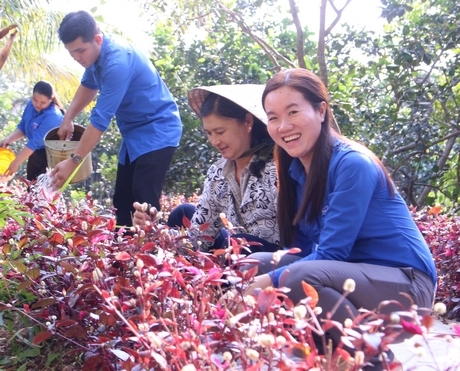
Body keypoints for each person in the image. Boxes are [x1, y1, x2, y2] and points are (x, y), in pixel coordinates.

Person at [245, 68, 437, 368]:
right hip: (350, 277)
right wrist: (259, 274)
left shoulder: (352, 164)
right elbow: (303, 251)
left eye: (293, 112)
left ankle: (376, 361)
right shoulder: (295, 171)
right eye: (272, 117)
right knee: (249, 264)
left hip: (406, 286)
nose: (283, 126)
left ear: (321, 110)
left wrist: (266, 282)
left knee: (295, 277)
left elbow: (331, 253)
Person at [50, 10, 182, 227]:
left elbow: (100, 120)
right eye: (72, 53)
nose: (77, 58)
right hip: (133, 136)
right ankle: (122, 257)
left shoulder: (117, 62)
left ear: (98, 39)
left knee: (143, 200)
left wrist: (74, 161)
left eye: (80, 51)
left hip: (158, 130)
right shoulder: (95, 58)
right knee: (122, 200)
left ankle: (151, 257)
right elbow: (88, 86)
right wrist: (68, 118)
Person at [133, 84, 280, 253]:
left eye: (220, 131)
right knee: (182, 213)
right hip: (234, 250)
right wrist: (153, 230)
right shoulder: (218, 173)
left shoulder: (275, 169)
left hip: (273, 260)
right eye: (209, 133)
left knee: (236, 245)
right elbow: (198, 237)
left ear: (248, 122)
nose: (214, 141)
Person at [0, 81, 64, 180]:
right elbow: (23, 127)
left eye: (43, 103)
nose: (37, 104)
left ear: (50, 100)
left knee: (44, 189)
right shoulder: (30, 106)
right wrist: (9, 139)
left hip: (49, 157)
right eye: (35, 100)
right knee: (31, 185)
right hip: (34, 153)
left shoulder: (53, 116)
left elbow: (35, 142)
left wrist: (16, 162)